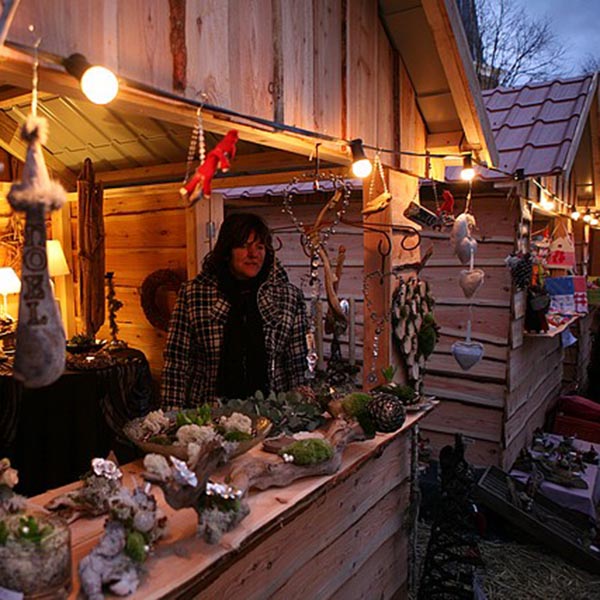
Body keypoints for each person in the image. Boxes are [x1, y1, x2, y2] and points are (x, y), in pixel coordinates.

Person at [161, 213, 308, 409]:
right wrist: (172, 416)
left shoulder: (288, 297)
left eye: (260, 247)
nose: (253, 254)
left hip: (272, 413)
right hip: (209, 414)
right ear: (227, 250)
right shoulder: (194, 294)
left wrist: (299, 414)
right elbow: (177, 362)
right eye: (244, 246)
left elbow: (296, 365)